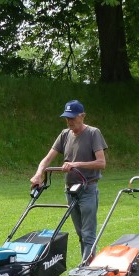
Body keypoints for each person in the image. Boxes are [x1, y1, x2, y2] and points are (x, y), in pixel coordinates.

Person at [30, 100, 108, 261]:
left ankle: (87, 270)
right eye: (67, 118)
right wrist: (38, 174)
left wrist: (75, 164)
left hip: (88, 189)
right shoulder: (65, 134)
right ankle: (89, 266)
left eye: (72, 117)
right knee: (81, 233)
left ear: (83, 116)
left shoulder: (93, 133)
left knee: (88, 234)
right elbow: (47, 158)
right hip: (70, 191)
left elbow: (102, 163)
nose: (69, 121)